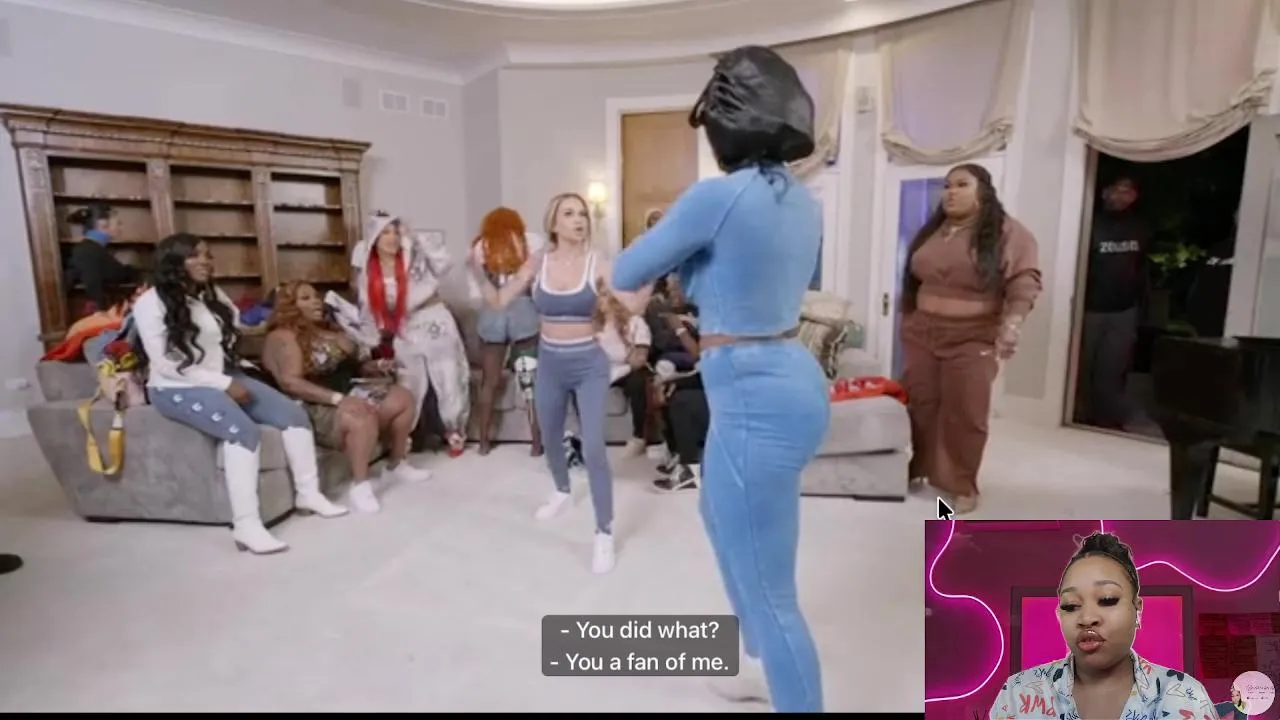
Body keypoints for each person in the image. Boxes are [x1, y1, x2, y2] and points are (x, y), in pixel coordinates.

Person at [609, 47, 829, 713]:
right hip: (788, 378)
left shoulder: (717, 196)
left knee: (771, 588)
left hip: (757, 393)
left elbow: (627, 271)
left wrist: (681, 259)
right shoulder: (802, 200)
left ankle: (789, 688)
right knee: (716, 514)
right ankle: (762, 667)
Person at [133, 233, 348, 555]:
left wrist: (272, 321)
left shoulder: (210, 294)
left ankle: (309, 495)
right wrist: (223, 384)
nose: (205, 261)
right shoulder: (150, 303)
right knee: (242, 431)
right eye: (195, 255)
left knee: (294, 415)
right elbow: (166, 364)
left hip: (222, 374)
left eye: (208, 255)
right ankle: (246, 526)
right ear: (174, 262)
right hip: (176, 386)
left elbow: (237, 325)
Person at [467, 192, 646, 574]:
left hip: (588, 364)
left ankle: (603, 532)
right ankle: (562, 490)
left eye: (582, 214)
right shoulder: (538, 262)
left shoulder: (598, 263)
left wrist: (655, 270)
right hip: (549, 362)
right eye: (569, 213)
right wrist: (477, 270)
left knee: (594, 448)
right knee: (550, 437)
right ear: (553, 223)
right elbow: (499, 300)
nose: (578, 220)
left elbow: (631, 306)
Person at [899, 163, 1041, 516]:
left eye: (962, 185)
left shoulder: (1009, 232)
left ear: (983, 191)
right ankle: (921, 467)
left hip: (973, 336)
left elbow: (1024, 280)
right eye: (947, 185)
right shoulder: (934, 231)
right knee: (922, 404)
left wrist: (1012, 324)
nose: (950, 192)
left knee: (966, 411)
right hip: (922, 333)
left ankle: (962, 484)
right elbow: (915, 279)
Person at [988, 532, 1215, 720]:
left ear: (1137, 609)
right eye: (1070, 605)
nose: (1087, 618)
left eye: (1107, 599)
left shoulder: (1187, 697)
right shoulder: (1017, 694)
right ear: (1059, 615)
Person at [262, 281, 432, 514]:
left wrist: (375, 367)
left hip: (343, 393)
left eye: (316, 296)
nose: (316, 302)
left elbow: (351, 368)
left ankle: (396, 464)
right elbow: (290, 383)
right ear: (289, 305)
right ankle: (360, 485)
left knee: (402, 398)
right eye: (305, 298)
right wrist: (338, 399)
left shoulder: (325, 329)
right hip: (309, 405)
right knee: (361, 415)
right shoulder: (283, 337)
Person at [352, 212, 471, 457]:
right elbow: (368, 314)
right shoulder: (369, 274)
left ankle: (454, 430)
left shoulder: (413, 253)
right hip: (404, 328)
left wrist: (418, 238)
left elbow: (444, 264)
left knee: (449, 377)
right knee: (409, 383)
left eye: (396, 232)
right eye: (385, 233)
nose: (392, 238)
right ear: (374, 239)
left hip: (434, 321)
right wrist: (368, 345)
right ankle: (403, 436)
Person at [469, 207, 545, 457]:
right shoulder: (531, 241)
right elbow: (537, 282)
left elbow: (476, 291)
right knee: (529, 380)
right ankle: (536, 443)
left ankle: (483, 442)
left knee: (489, 382)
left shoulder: (481, 245)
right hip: (523, 310)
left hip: (493, 311)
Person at [1076, 176, 1149, 430]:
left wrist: (1142, 307)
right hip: (1089, 309)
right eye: (1117, 189)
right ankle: (1079, 415)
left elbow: (1142, 269)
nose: (1122, 195)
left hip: (1124, 310)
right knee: (1082, 366)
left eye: (1128, 191)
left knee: (1113, 368)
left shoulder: (1139, 227)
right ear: (1105, 192)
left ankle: (1107, 417)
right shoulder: (1088, 223)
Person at [647, 275, 708, 492]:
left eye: (677, 289)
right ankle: (681, 458)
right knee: (672, 392)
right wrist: (671, 382)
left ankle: (691, 471)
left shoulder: (708, 316)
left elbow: (703, 358)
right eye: (670, 290)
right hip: (710, 377)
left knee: (682, 401)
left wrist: (680, 328)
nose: (672, 294)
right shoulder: (661, 313)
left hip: (730, 391)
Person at [594, 278, 652, 458]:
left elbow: (639, 360)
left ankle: (639, 437)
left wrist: (623, 356)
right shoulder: (593, 325)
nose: (599, 300)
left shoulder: (635, 323)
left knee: (639, 379)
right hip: (600, 371)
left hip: (626, 372)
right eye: (598, 295)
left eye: (604, 295)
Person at [65, 203, 141, 313]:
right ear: (103, 224)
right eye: (118, 223)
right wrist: (101, 313)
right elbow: (93, 286)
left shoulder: (93, 249)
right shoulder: (88, 252)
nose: (119, 227)